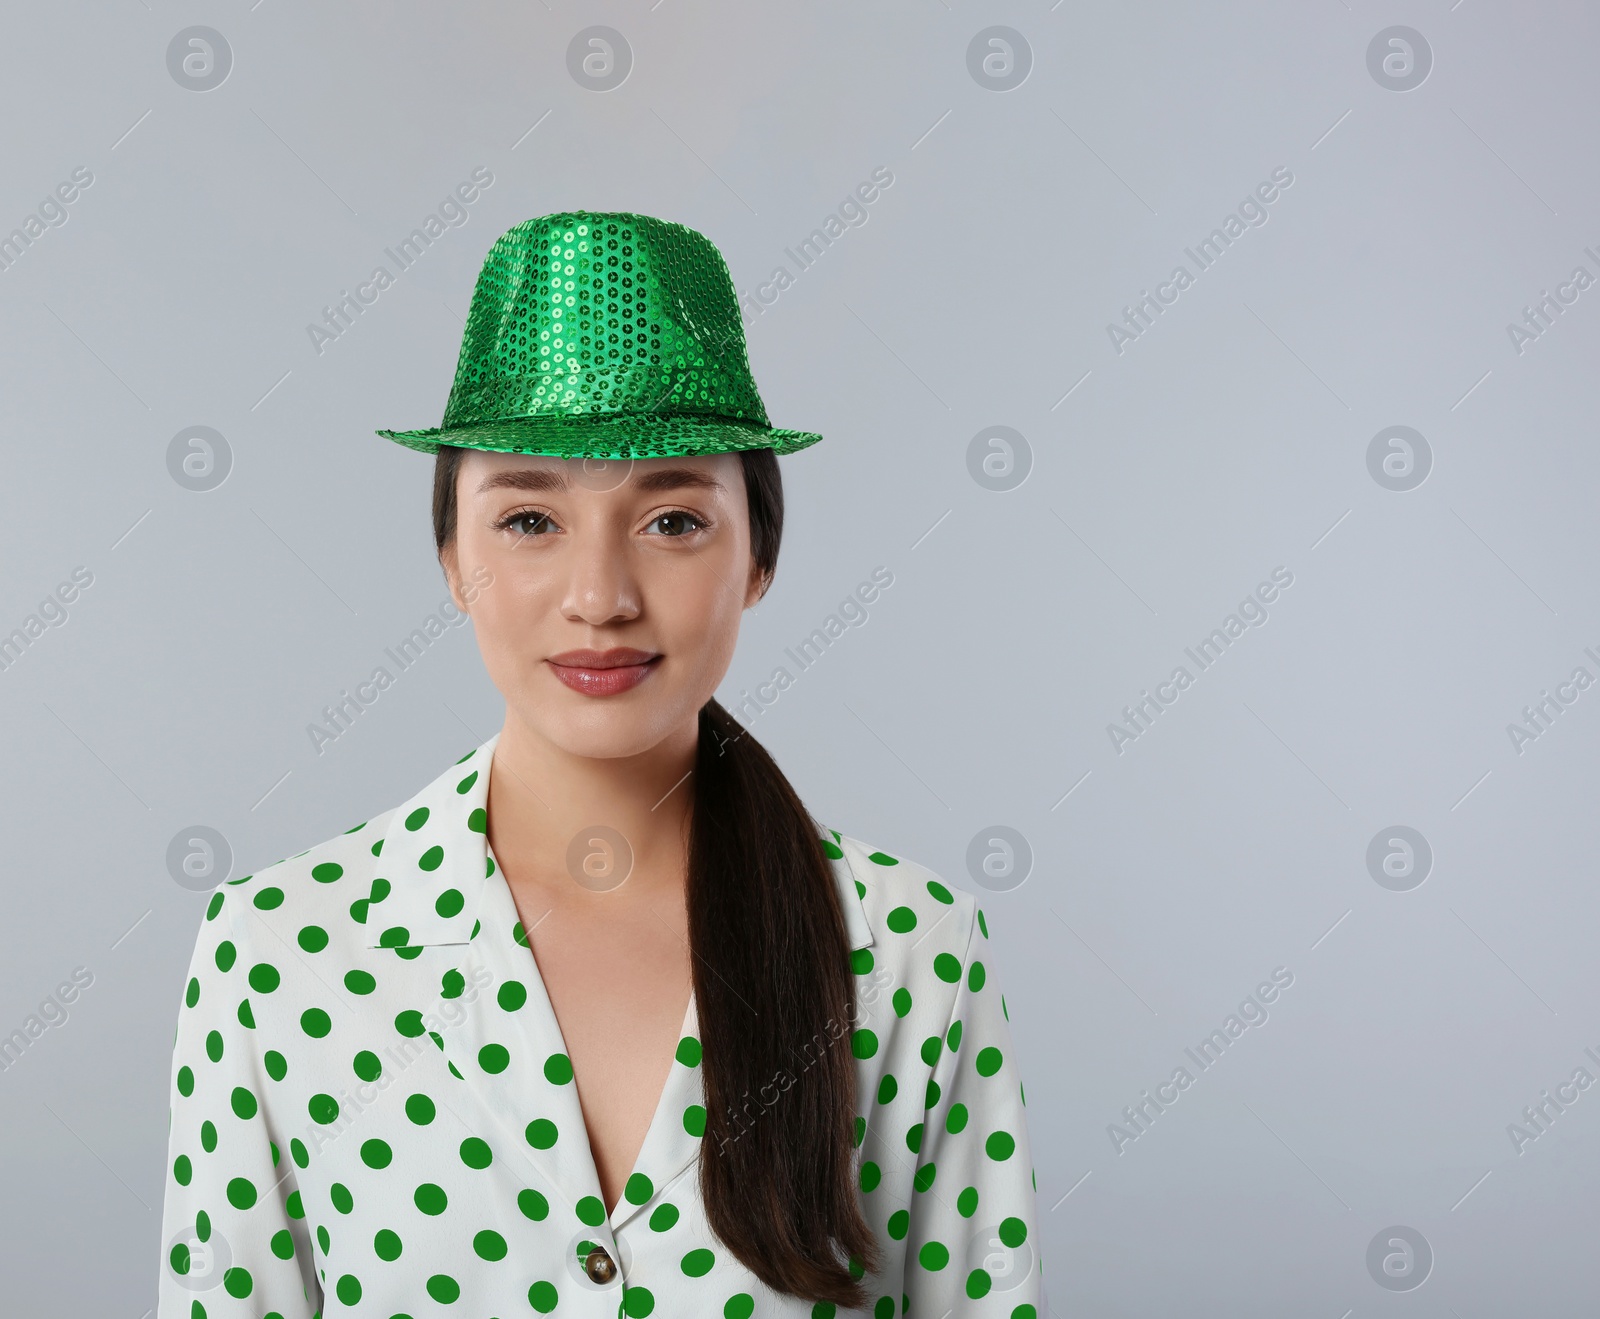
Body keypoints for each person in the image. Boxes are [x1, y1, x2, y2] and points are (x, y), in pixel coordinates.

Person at [157, 211, 1043, 1317]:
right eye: (529, 518)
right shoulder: (279, 948)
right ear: (450, 558)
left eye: (672, 518)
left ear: (759, 557)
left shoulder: (912, 949)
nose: (600, 596)